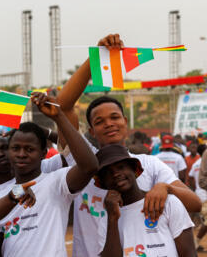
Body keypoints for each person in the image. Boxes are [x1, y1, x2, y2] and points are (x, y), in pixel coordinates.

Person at [49, 33, 201, 257]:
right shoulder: (83, 161)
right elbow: (62, 106)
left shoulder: (149, 164)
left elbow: (195, 203)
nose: (109, 124)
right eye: (99, 122)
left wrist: (166, 188)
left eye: (114, 117)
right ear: (91, 131)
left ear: (125, 122)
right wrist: (95, 59)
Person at [0, 93, 100, 257]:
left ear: (43, 153)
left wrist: (59, 116)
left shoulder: (57, 182)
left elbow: (89, 166)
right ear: (8, 152)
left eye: (29, 149)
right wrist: (14, 195)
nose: (22, 154)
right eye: (16, 148)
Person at [97, 144, 195, 257]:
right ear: (103, 182)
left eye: (121, 167)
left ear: (134, 170)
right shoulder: (106, 220)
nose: (116, 174)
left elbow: (189, 253)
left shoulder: (168, 203)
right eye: (108, 172)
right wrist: (113, 219)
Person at [188, 144, 207, 251]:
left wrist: (193, 189)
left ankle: (195, 242)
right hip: (204, 195)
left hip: (199, 193)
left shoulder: (196, 163)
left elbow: (190, 177)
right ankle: (195, 243)